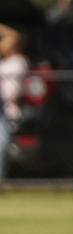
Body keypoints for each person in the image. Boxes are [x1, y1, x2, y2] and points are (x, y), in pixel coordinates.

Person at [0, 23, 28, 180]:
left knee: (1, 143)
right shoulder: (3, 63)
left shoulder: (18, 61)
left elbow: (13, 36)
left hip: (7, 110)